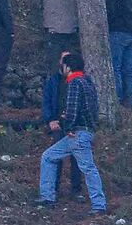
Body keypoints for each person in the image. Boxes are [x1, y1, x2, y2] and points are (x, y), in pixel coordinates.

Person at [38, 50, 107, 215]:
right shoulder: (87, 82)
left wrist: (67, 125)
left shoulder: (74, 83)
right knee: (48, 156)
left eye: (63, 65)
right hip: (85, 131)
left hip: (76, 133)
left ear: (68, 67)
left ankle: (99, 205)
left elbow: (72, 110)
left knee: (88, 168)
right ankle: (47, 197)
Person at [37, 0, 78, 119]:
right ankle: (69, 105)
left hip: (52, 30)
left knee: (53, 69)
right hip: (71, 31)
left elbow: (38, 3)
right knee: (72, 69)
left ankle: (51, 108)